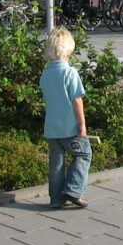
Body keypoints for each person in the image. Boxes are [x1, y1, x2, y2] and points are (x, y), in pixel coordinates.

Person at [40, 27, 92, 209]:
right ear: (69, 50)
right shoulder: (70, 73)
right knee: (84, 154)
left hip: (52, 128)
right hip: (70, 127)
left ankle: (56, 199)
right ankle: (74, 189)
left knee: (56, 164)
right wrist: (82, 125)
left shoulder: (45, 74)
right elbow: (77, 100)